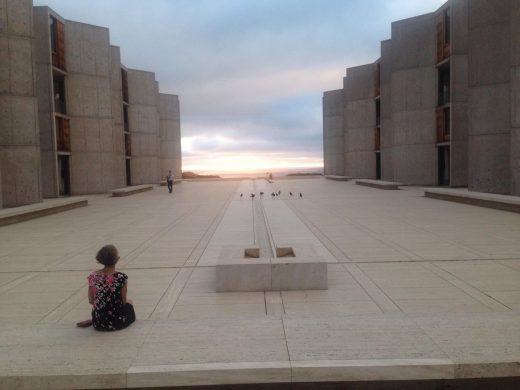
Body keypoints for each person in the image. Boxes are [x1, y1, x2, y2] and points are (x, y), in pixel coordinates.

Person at [77, 245, 135, 331]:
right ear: (117, 259)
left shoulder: (93, 277)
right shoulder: (121, 277)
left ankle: (95, 319)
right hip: (117, 322)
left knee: (102, 308)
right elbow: (123, 301)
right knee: (129, 303)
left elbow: (91, 300)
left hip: (99, 323)